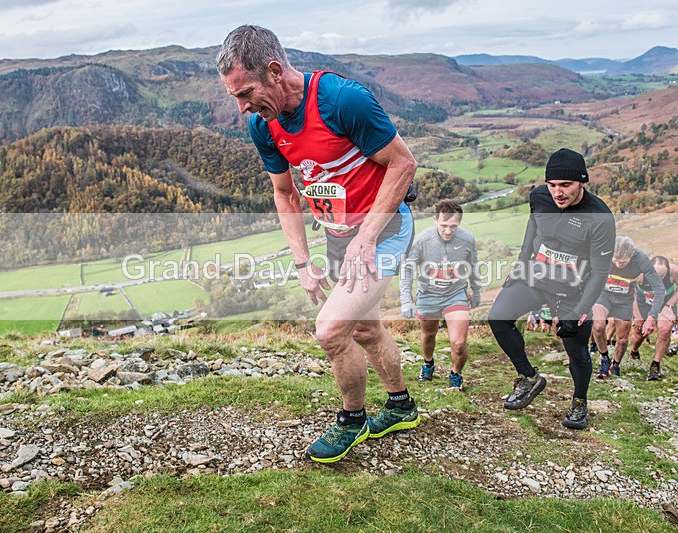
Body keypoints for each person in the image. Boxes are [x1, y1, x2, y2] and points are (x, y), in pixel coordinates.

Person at [217, 25, 420, 463]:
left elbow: (403, 164)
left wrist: (366, 238)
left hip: (382, 232)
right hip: (338, 237)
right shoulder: (263, 125)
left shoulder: (341, 100)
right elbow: (285, 193)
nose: (241, 108)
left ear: (275, 71)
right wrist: (301, 262)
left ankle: (353, 419)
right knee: (365, 327)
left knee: (331, 330)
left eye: (246, 92)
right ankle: (402, 405)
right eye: (235, 97)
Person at [487, 148, 615, 429]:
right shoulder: (539, 197)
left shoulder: (600, 217)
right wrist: (520, 265)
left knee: (577, 351)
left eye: (566, 185)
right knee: (498, 318)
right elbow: (532, 230)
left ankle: (579, 401)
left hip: (574, 290)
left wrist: (580, 311)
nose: (558, 192)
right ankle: (529, 377)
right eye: (552, 184)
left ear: (583, 182)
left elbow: (601, 271)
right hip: (537, 276)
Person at [400, 200, 482, 391]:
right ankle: (428, 364)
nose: (448, 231)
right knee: (429, 334)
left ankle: (455, 374)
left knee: (459, 343)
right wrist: (406, 300)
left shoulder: (467, 239)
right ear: (435, 219)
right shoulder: (421, 240)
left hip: (456, 295)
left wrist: (477, 291)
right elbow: (407, 271)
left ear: (459, 223)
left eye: (453, 226)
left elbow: (474, 266)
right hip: (428, 295)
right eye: (444, 226)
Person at [593, 237, 665, 379]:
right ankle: (604, 359)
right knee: (599, 326)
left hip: (624, 300)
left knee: (623, 339)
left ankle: (616, 364)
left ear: (632, 254)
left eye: (623, 262)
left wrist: (652, 316)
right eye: (615, 260)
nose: (618, 264)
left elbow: (659, 289)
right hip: (604, 295)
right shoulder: (603, 252)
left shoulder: (641, 259)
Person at [629, 256, 678, 380]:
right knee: (639, 333)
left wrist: (669, 305)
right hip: (643, 303)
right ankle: (634, 350)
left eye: (661, 276)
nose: (658, 280)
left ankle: (655, 365)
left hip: (664, 304)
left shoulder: (674, 271)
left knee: (665, 330)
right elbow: (631, 292)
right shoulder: (639, 274)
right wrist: (638, 316)